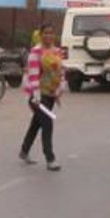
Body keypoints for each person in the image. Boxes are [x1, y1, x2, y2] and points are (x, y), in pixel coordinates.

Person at [19, 22, 65, 171]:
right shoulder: (35, 52)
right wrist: (36, 95)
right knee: (47, 123)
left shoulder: (57, 52)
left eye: (51, 33)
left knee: (37, 123)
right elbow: (33, 75)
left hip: (50, 93)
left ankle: (24, 150)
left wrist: (59, 89)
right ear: (40, 35)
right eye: (46, 33)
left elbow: (60, 72)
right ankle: (50, 158)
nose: (49, 36)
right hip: (37, 95)